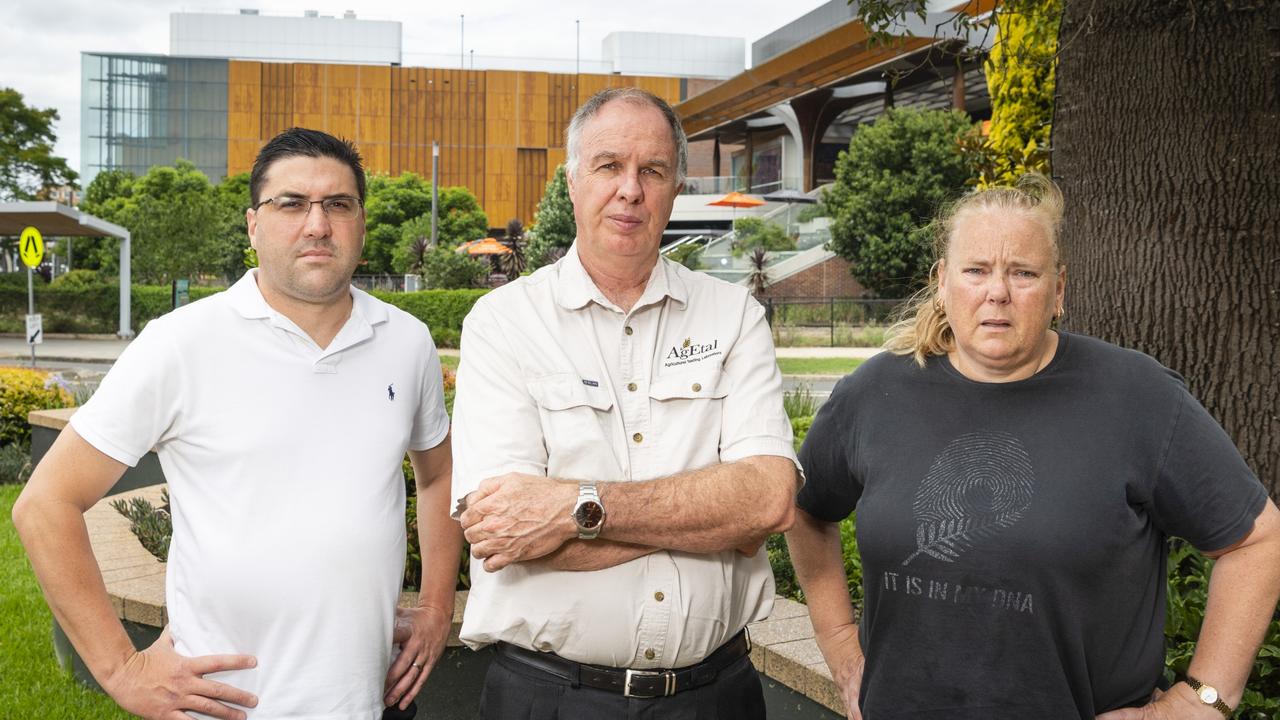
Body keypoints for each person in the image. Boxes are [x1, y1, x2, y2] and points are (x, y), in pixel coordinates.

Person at [785, 173, 1280, 719]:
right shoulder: (874, 393)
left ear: (1058, 290)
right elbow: (806, 513)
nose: (997, 291)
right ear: (943, 282)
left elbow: (1259, 542)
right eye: (976, 270)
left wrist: (1201, 702)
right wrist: (839, 644)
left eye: (1023, 272)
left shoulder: (1137, 396)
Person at [12, 128, 462, 720]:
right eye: (292, 203)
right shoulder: (181, 343)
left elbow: (438, 475)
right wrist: (122, 669)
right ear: (254, 225)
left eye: (338, 204)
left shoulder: (407, 342)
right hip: (222, 707)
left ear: (361, 222)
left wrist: (433, 608)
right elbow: (44, 505)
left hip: (361, 701)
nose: (317, 224)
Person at [450, 87, 801, 719]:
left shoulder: (734, 316)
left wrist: (572, 508)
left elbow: (768, 501)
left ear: (674, 188)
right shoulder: (502, 323)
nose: (630, 189)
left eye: (653, 171)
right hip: (549, 697)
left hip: (715, 698)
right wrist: (710, 519)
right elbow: (502, 531)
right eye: (609, 165)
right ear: (572, 181)